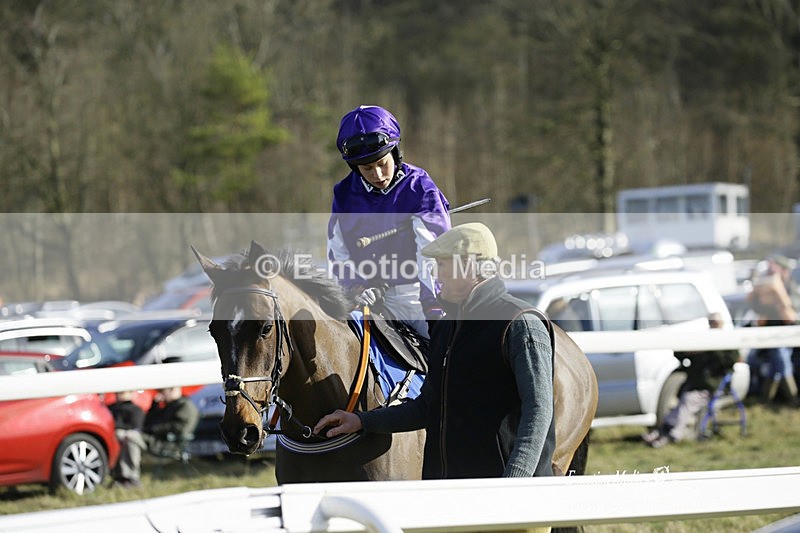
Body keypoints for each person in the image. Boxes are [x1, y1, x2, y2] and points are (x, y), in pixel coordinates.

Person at [314, 223, 556, 478]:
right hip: (448, 493)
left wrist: (516, 480)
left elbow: (539, 409)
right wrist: (363, 421)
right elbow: (428, 408)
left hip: (511, 495)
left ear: (471, 267)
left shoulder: (520, 323)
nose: (436, 277)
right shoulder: (445, 329)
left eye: (442, 265)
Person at [327, 105, 451, 338]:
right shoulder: (343, 195)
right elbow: (338, 255)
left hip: (418, 298)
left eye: (382, 163)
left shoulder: (420, 188)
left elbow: (433, 253)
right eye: (367, 168)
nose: (378, 175)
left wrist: (432, 304)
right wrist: (356, 289)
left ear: (395, 152)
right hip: (373, 302)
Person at [642, 314, 740, 448]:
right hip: (694, 384)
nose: (714, 325)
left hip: (709, 386)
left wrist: (711, 348)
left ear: (722, 324)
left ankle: (673, 435)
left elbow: (731, 360)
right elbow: (680, 354)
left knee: (686, 403)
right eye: (712, 322)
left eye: (716, 322)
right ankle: (662, 431)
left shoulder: (725, 342)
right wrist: (690, 350)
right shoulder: (703, 339)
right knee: (679, 406)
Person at [745, 255, 799, 404]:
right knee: (781, 361)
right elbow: (754, 305)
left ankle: (768, 399)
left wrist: (778, 291)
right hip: (772, 333)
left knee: (778, 364)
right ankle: (790, 398)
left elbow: (790, 313)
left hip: (788, 331)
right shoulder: (765, 286)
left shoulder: (789, 286)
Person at [142, 386, 200, 457]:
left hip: (169, 443)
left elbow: (178, 428)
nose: (161, 394)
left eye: (162, 392)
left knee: (133, 437)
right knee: (131, 436)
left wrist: (154, 429)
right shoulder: (171, 405)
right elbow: (149, 421)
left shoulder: (184, 405)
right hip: (158, 440)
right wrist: (155, 404)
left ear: (173, 390)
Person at [108, 390, 146, 488]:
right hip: (116, 437)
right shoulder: (111, 408)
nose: (120, 395)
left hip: (133, 438)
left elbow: (136, 426)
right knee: (121, 437)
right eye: (119, 392)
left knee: (130, 438)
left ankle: (131, 477)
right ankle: (124, 476)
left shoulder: (136, 409)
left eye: (123, 392)